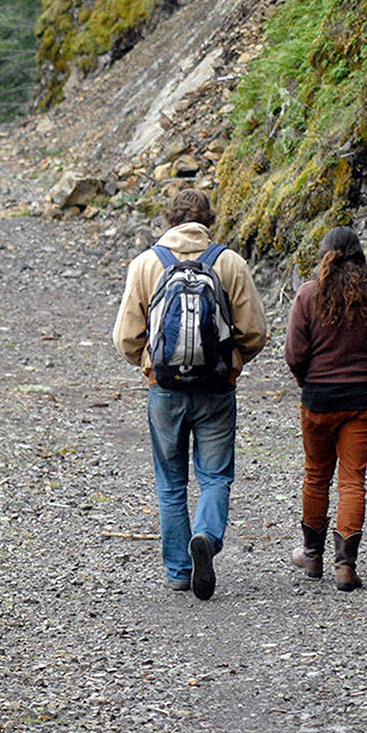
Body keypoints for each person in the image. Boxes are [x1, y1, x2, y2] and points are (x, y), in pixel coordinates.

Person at [113, 189, 268, 600]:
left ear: (169, 219)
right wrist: (233, 364)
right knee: (215, 475)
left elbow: (126, 337)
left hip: (164, 390)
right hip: (217, 387)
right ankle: (206, 535)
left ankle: (179, 570)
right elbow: (255, 331)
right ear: (207, 221)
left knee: (170, 483)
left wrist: (148, 364)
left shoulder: (147, 264)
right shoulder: (229, 262)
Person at [284, 226, 367, 591]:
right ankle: (346, 566)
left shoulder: (308, 294)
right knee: (353, 479)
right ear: (360, 255)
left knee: (316, 475)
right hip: (363, 400)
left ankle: (313, 555)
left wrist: (308, 381)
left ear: (324, 256)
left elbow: (294, 354)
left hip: (319, 399)